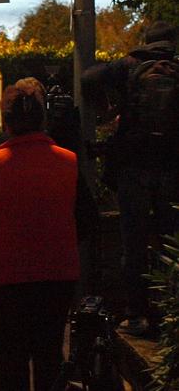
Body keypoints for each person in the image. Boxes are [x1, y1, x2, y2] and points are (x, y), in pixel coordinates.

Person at [0, 79, 98, 391]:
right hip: (57, 276)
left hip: (5, 277)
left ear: (7, 123)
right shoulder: (67, 161)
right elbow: (88, 219)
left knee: (11, 358)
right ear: (43, 119)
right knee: (49, 354)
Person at [82, 20, 179, 336]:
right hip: (171, 167)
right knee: (170, 243)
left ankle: (136, 314)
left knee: (133, 242)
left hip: (133, 168)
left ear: (146, 41)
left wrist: (110, 108)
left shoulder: (130, 64)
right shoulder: (175, 66)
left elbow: (88, 78)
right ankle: (169, 313)